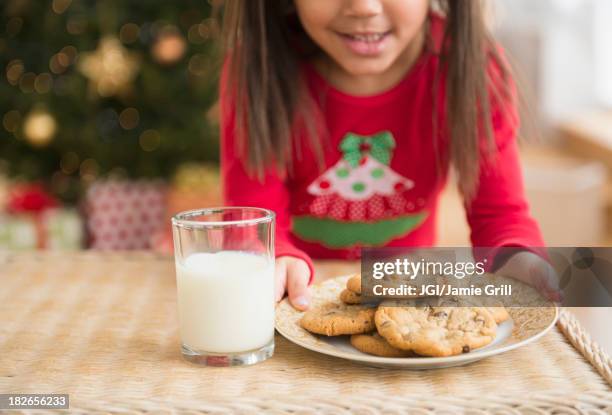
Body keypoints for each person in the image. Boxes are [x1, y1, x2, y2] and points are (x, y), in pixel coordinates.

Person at [220, 0, 560, 310]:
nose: (364, 8)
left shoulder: (471, 67)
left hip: (414, 299)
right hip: (295, 307)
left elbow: (501, 218)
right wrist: (272, 258)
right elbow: (252, 225)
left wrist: (519, 260)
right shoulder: (257, 70)